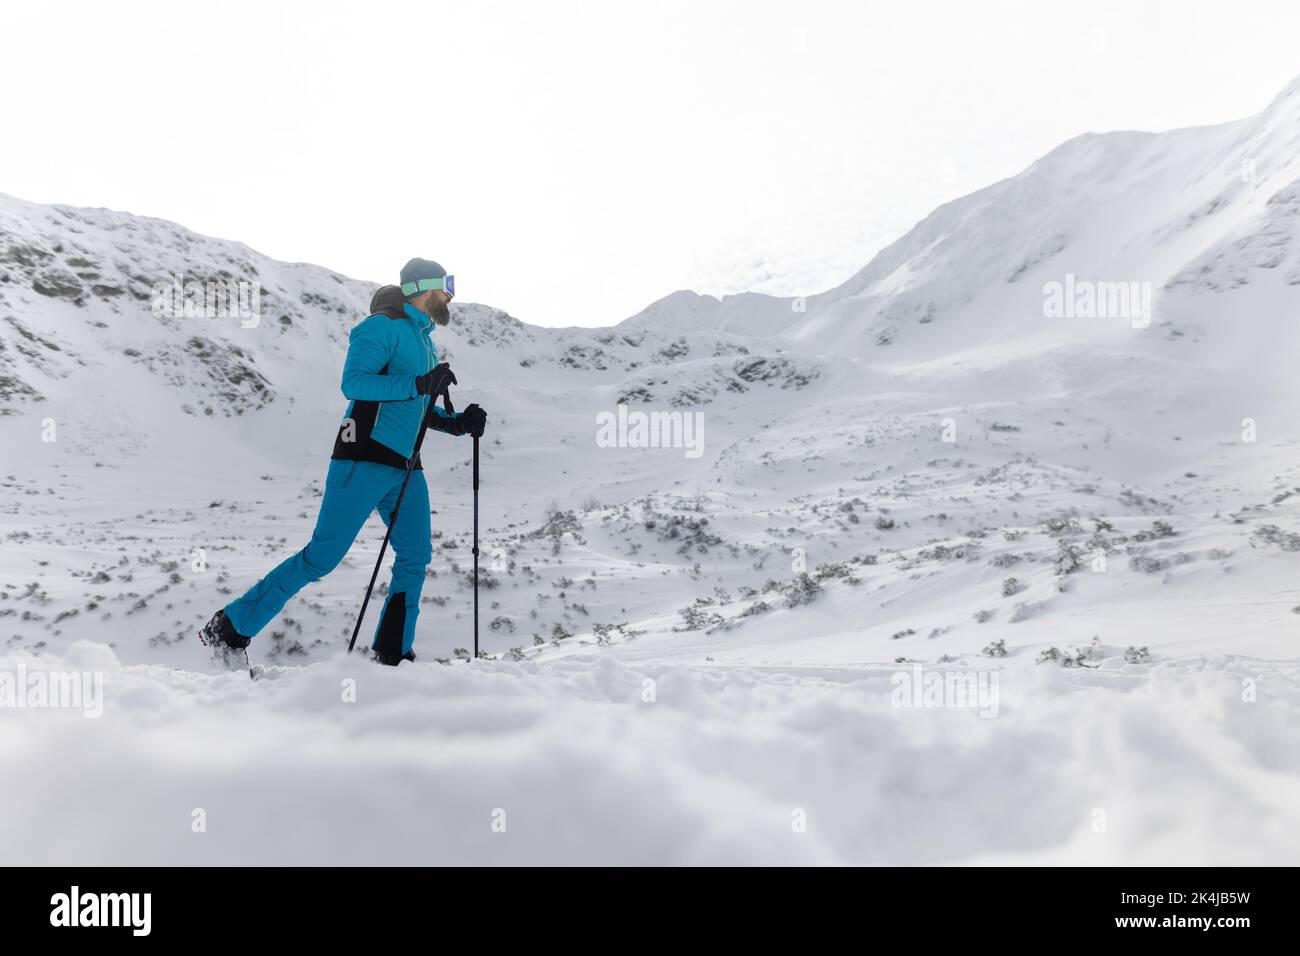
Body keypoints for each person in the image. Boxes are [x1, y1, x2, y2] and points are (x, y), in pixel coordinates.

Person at [199, 258, 487, 668]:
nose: (451, 295)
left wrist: (459, 424)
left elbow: (414, 405)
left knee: (415, 557)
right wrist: (421, 383)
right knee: (321, 557)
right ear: (422, 287)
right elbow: (355, 382)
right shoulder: (380, 327)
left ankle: (391, 655)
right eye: (447, 286)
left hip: (406, 465)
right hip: (363, 456)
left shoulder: (424, 341)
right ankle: (227, 628)